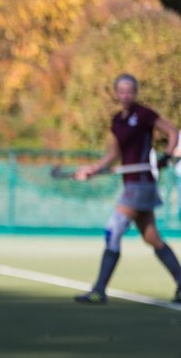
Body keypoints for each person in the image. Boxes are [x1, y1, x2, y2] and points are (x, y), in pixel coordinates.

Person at [72, 74, 181, 304]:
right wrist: (95, 168)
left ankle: (99, 289)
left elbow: (172, 132)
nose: (126, 94)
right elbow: (115, 153)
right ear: (116, 93)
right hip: (131, 182)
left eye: (130, 90)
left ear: (135, 92)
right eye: (121, 90)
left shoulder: (144, 115)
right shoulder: (117, 121)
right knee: (152, 238)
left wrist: (167, 155)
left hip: (141, 183)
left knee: (113, 230)